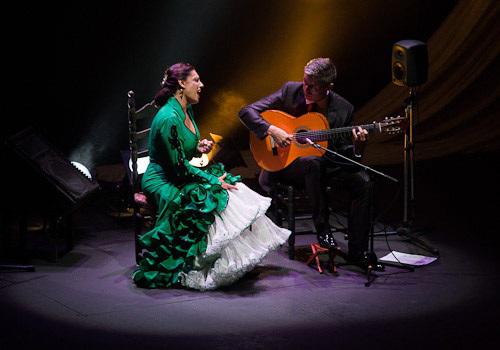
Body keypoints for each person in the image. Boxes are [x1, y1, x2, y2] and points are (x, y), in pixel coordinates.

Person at [132, 62, 290, 290]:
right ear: (181, 84)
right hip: (163, 180)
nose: (201, 84)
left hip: (180, 172)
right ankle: (197, 262)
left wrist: (199, 146)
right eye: (196, 80)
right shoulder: (168, 118)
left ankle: (229, 259)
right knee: (212, 195)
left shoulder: (186, 108)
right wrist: (213, 180)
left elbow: (183, 147)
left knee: (231, 189)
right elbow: (179, 168)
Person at [239, 57, 377, 269]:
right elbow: (246, 111)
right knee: (312, 162)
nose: (307, 89)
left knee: (364, 181)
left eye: (314, 86)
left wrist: (359, 148)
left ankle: (358, 253)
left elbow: (347, 159)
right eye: (305, 82)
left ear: (329, 87)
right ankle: (323, 230)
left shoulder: (344, 109)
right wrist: (272, 130)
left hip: (327, 166)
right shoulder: (290, 91)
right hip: (287, 166)